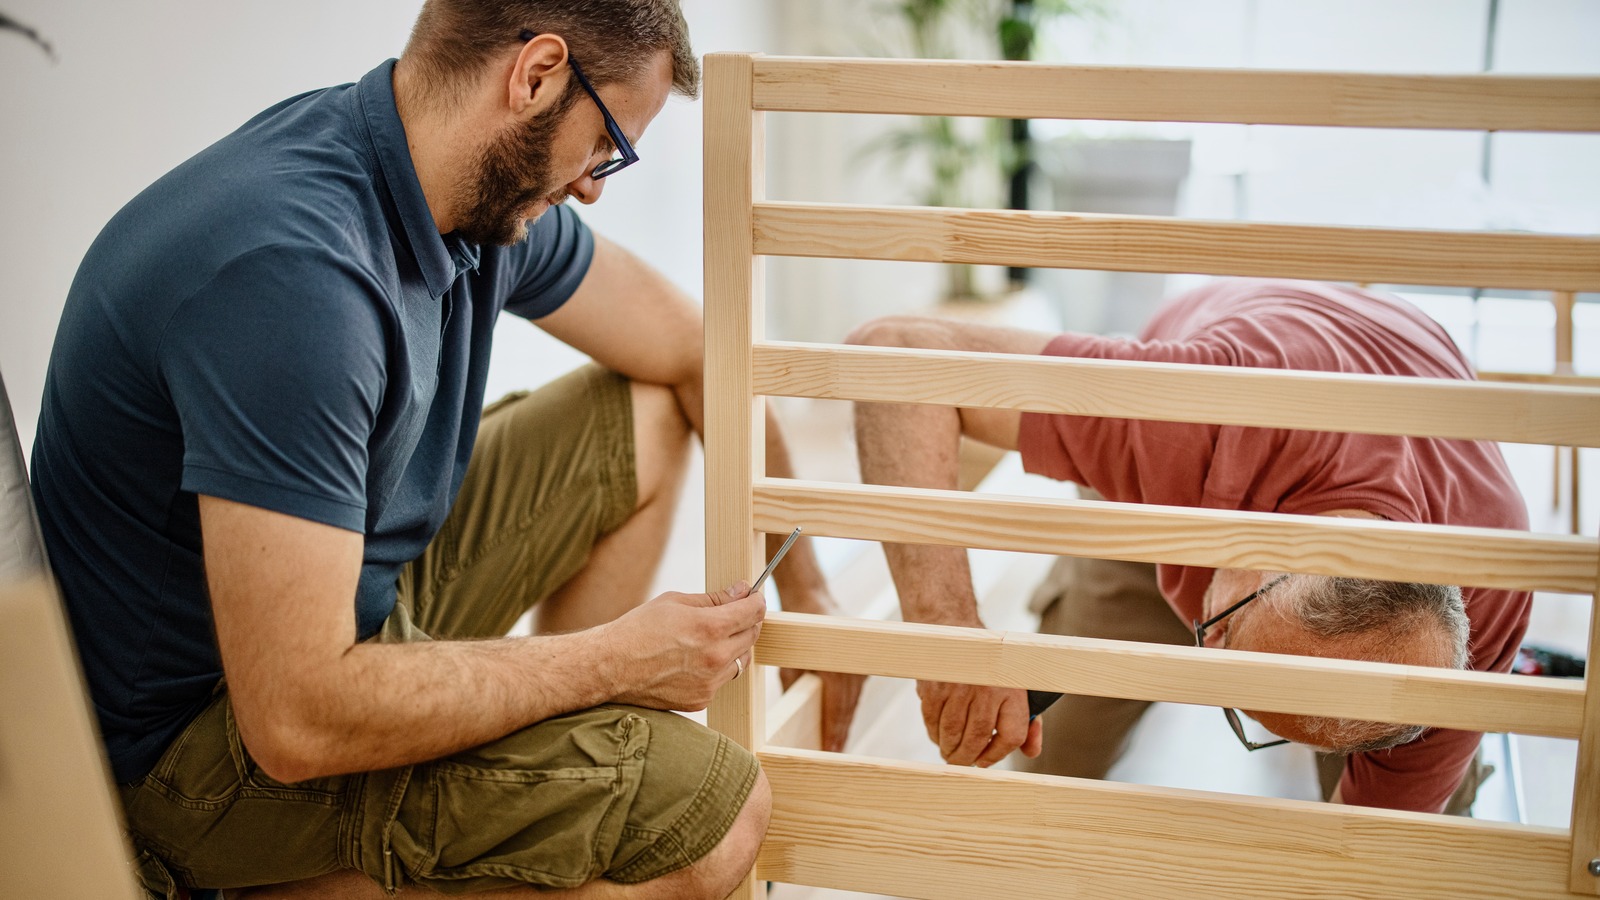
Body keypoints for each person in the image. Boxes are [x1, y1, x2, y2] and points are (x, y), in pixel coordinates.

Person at [30, 2, 863, 897]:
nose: (595, 186)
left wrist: (809, 590)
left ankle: (467, 820)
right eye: (608, 144)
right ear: (536, 75)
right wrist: (613, 663)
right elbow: (296, 719)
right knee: (712, 820)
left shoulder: (455, 191)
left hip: (342, 602)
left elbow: (691, 351)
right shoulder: (296, 280)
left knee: (646, 415)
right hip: (188, 754)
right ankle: (290, 876)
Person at [847, 277, 1529, 815]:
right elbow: (894, 355)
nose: (1206, 661)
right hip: (1176, 486)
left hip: (1351, 394)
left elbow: (1371, 864)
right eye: (1225, 641)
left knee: (1422, 841)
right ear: (1258, 539)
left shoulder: (1483, 608)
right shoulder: (1187, 421)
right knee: (1052, 771)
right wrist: (951, 639)